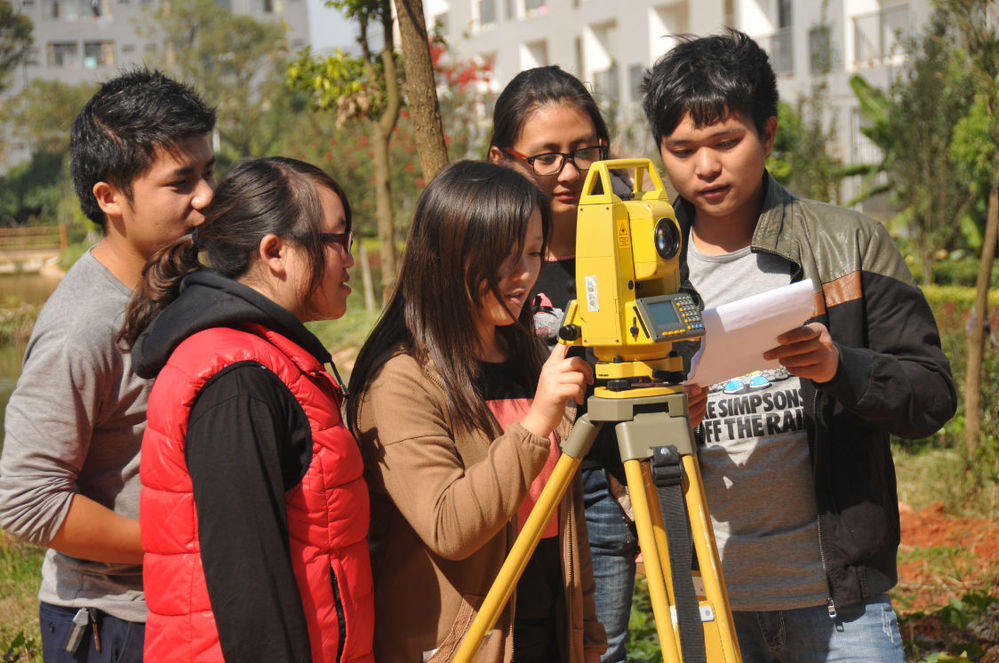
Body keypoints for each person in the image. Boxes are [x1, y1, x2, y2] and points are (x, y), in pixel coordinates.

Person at [641, 30, 957, 662]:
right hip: (707, 601)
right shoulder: (644, 272)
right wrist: (666, 420)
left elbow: (931, 396)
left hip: (842, 608)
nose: (706, 167)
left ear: (768, 133)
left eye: (725, 142)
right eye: (682, 149)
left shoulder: (851, 243)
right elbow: (601, 440)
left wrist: (842, 367)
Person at [347, 159, 606, 663]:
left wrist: (587, 635)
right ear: (448, 256)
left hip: (549, 634)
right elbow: (450, 527)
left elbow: (566, 517)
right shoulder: (400, 380)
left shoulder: (529, 356)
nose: (525, 273)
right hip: (464, 647)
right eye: (505, 256)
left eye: (534, 252)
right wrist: (536, 423)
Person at [118, 157, 374, 663]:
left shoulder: (267, 356)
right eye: (338, 239)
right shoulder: (237, 382)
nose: (349, 258)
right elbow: (250, 588)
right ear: (275, 252)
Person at [0, 69, 216, 663]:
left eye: (208, 171)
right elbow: (26, 499)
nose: (206, 195)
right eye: (181, 182)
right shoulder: (83, 326)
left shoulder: (180, 278)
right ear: (109, 198)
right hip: (114, 624)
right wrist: (180, 541)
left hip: (188, 601)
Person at [488, 65, 670, 663]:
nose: (569, 172)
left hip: (602, 484)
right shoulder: (482, 253)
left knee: (598, 650)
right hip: (508, 478)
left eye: (585, 150)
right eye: (546, 157)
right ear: (502, 159)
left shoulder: (636, 233)